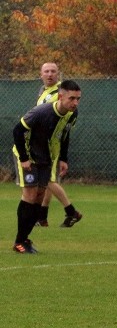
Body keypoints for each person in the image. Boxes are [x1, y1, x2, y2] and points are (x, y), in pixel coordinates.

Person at [11, 80, 83, 253]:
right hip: (28, 156)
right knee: (30, 194)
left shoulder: (72, 114)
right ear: (60, 96)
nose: (75, 102)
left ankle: (25, 239)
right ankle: (20, 242)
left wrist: (63, 159)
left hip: (46, 158)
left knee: (40, 195)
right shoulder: (42, 112)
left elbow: (64, 136)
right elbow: (17, 131)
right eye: (71, 98)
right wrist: (24, 158)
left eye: (78, 99)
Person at [32, 62, 83, 228]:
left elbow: (65, 128)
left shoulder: (62, 94)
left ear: (58, 74)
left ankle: (71, 211)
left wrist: (63, 157)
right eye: (46, 71)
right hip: (43, 143)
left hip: (48, 145)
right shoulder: (44, 91)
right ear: (40, 74)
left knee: (47, 180)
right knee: (48, 181)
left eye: (53, 71)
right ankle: (42, 217)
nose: (49, 74)